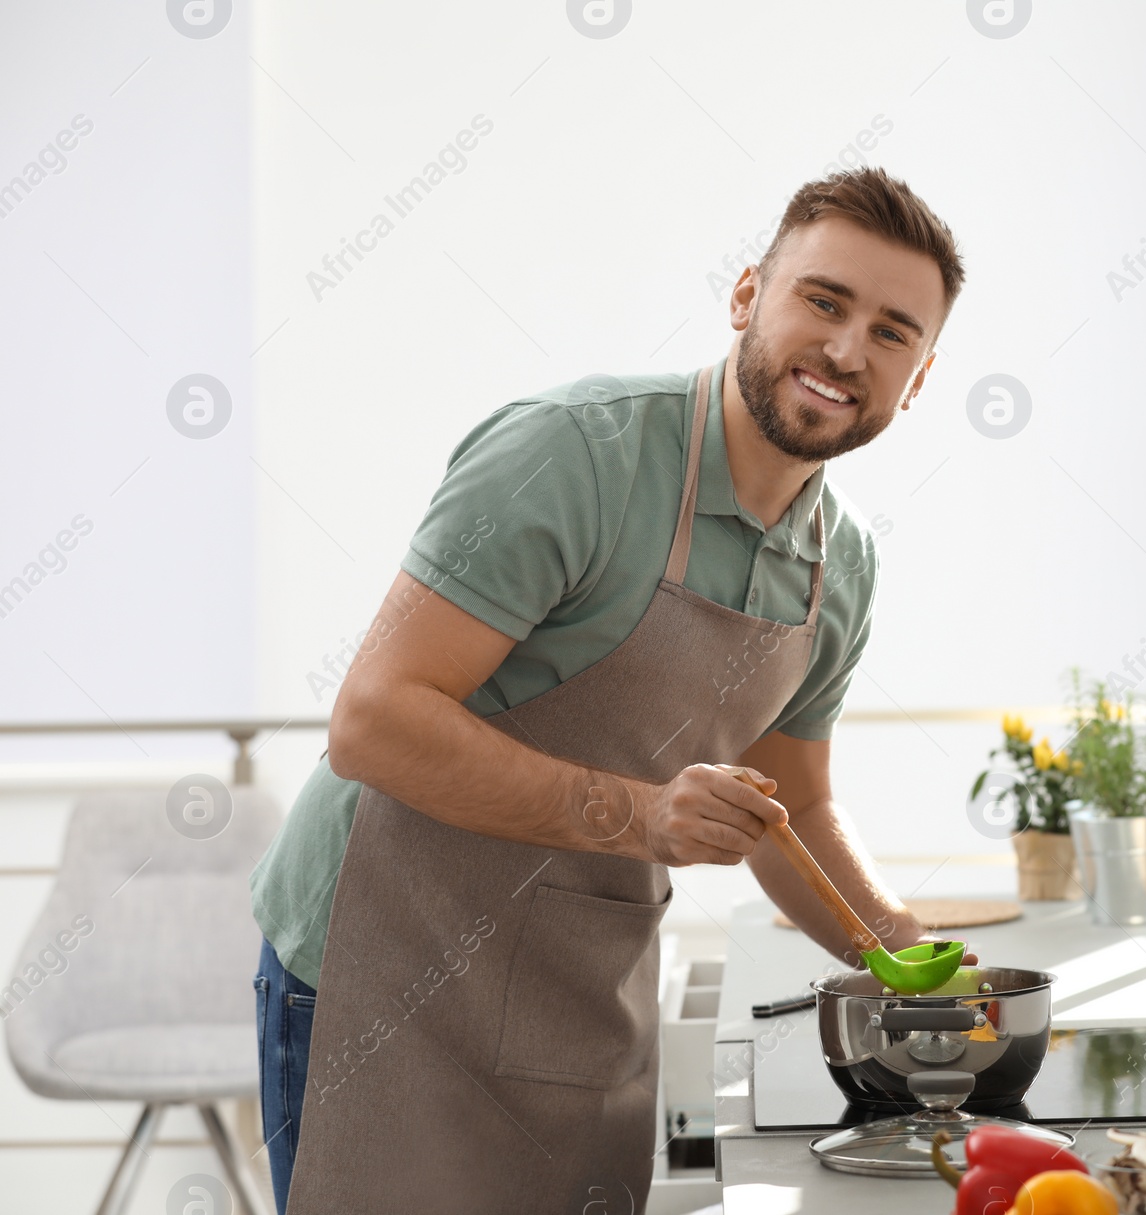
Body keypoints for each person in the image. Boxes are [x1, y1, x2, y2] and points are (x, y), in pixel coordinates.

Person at [248, 164, 966, 1213]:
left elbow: (794, 803)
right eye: (823, 300)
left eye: (892, 332)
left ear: (920, 377)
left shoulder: (838, 563)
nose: (848, 351)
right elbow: (373, 723)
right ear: (745, 297)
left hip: (576, 995)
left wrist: (905, 958)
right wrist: (645, 815)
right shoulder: (573, 455)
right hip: (376, 974)